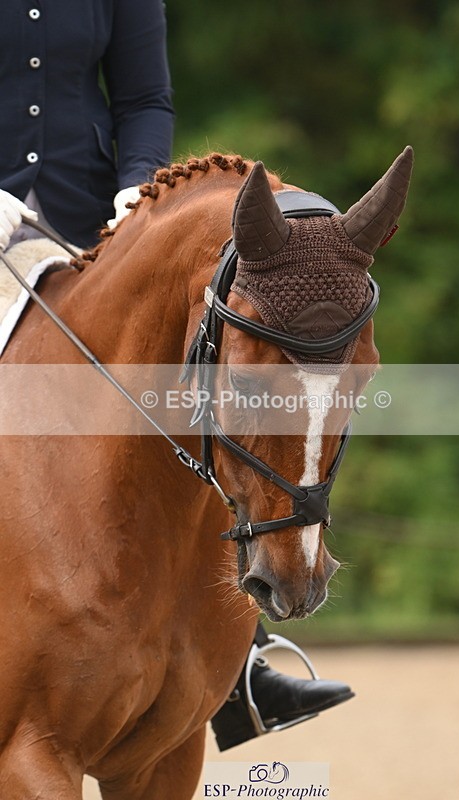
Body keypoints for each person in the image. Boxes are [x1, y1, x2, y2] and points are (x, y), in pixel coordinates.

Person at [0, 0, 353, 749]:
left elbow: (143, 98)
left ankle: (236, 667)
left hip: (89, 222)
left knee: (191, 406)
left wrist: (137, 183)